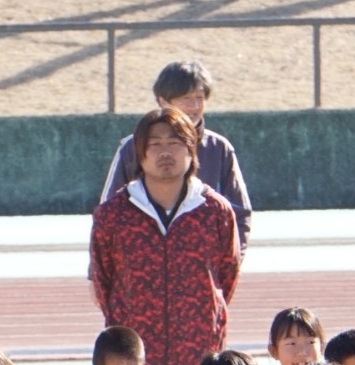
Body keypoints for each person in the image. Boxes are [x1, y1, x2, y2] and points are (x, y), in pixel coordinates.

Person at [88, 107, 242, 365]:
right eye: (155, 144)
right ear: (140, 154)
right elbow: (104, 280)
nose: (165, 152)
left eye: (175, 142)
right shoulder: (114, 214)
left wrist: (203, 322)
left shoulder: (215, 212)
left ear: (191, 150)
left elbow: (226, 276)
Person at [99, 60, 253, 248]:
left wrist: (231, 263)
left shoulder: (219, 148)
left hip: (202, 266)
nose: (194, 106)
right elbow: (109, 212)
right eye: (185, 98)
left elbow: (239, 213)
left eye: (200, 97)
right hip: (145, 262)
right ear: (163, 101)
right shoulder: (133, 147)